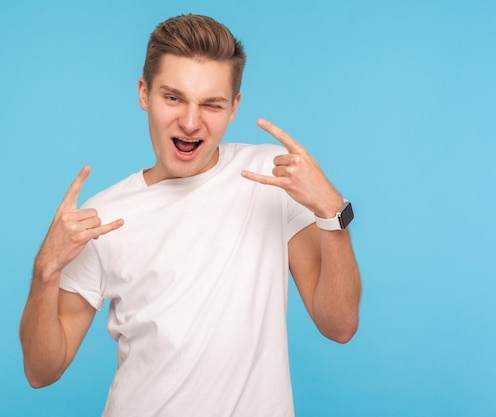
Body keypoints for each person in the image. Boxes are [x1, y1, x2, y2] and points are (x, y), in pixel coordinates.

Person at [20, 14, 361, 417]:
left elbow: (339, 326)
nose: (190, 121)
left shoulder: (271, 176)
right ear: (144, 93)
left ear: (234, 107)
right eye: (173, 98)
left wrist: (331, 212)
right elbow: (42, 371)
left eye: (211, 104)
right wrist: (45, 269)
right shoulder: (103, 217)